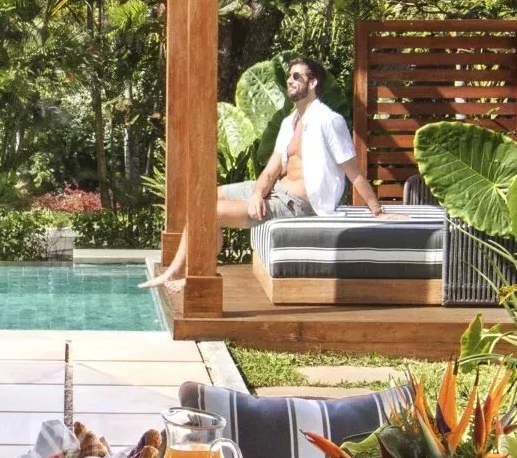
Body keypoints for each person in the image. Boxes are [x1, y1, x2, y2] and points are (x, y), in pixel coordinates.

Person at [143, 56, 379, 289]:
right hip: (276, 190)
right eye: (289, 76)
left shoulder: (329, 121)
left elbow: (354, 172)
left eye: (296, 76)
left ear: (313, 82)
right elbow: (272, 169)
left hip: (297, 204)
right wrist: (257, 194)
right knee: (206, 197)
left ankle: (191, 278)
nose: (290, 80)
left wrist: (377, 211)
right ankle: (177, 272)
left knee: (210, 212)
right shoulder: (289, 122)